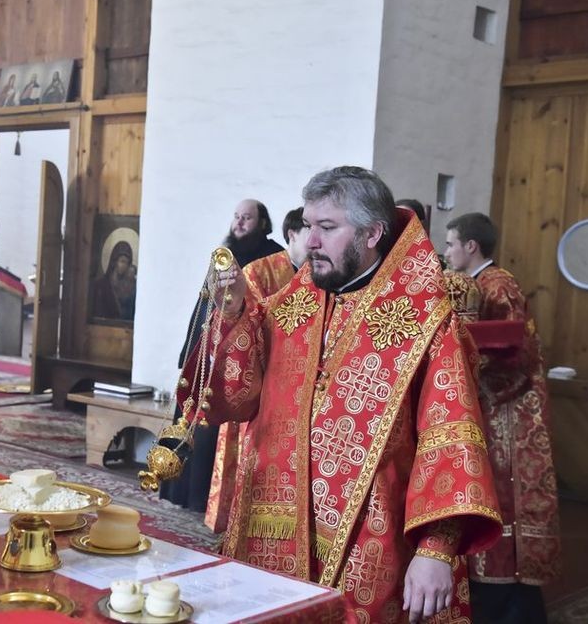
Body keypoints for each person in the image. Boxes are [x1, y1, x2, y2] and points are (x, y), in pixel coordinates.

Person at [180, 167, 502, 622]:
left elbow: (450, 436)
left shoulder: (425, 321)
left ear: (372, 233)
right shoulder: (293, 304)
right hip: (274, 527)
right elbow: (238, 396)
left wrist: (436, 549)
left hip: (371, 539)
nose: (310, 241)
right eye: (309, 225)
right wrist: (233, 313)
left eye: (327, 227)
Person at [444, 212, 560, 624]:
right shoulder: (480, 283)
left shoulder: (497, 285)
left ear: (470, 246)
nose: (446, 252)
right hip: (493, 410)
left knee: (504, 499)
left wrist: (465, 373)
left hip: (508, 415)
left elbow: (515, 356)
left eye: (450, 244)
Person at [162, 199, 284, 513]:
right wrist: (190, 351)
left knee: (212, 427)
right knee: (189, 417)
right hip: (207, 349)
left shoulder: (272, 258)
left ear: (262, 223)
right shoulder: (224, 254)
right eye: (236, 217)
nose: (239, 223)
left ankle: (203, 499)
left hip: (236, 359)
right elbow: (203, 304)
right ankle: (178, 492)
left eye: (247, 218)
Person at [206, 206, 311, 531]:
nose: (318, 240)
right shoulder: (260, 272)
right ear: (293, 233)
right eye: (312, 230)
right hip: (257, 381)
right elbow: (243, 326)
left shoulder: (317, 275)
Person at [243, 206, 309, 300]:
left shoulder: (324, 272)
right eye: (310, 232)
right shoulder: (256, 272)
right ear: (292, 235)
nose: (317, 240)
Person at [90, 241, 137, 321]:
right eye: (122, 261)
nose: (124, 265)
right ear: (114, 262)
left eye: (127, 263)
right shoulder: (101, 285)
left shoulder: (131, 287)